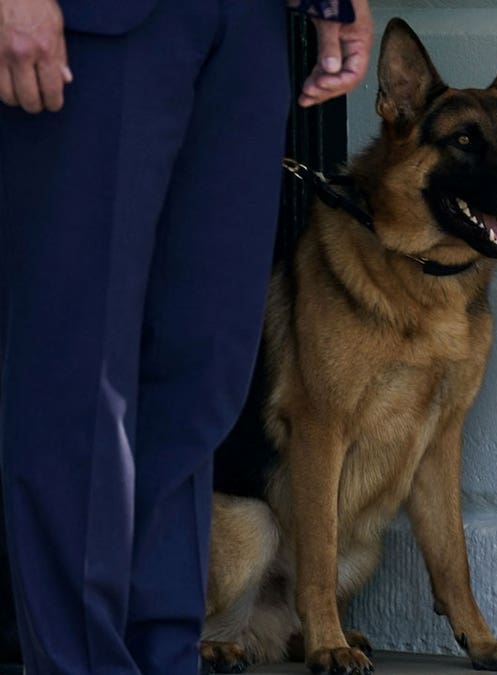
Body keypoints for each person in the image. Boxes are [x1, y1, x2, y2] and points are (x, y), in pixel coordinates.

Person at [0, 0, 371, 672]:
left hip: (246, 24)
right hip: (99, 19)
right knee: (80, 365)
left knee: (204, 367)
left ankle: (166, 654)